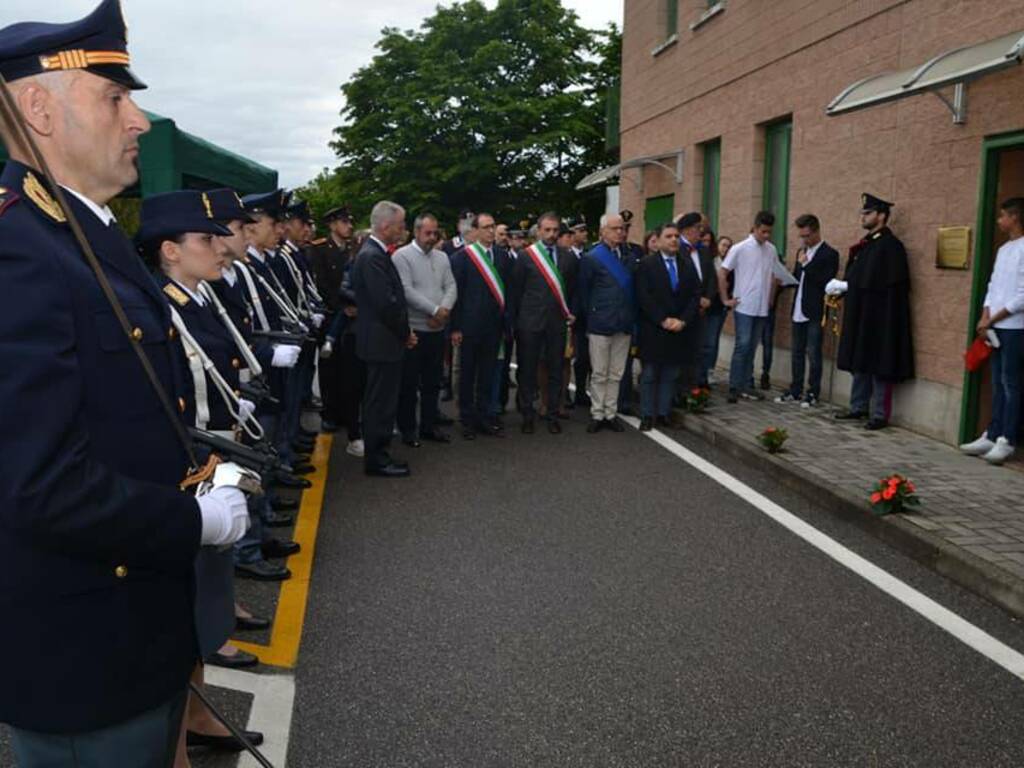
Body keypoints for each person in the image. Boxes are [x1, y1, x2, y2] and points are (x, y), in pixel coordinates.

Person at [0, 2, 249, 764]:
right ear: (37, 106)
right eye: (115, 97)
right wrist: (194, 525)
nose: (138, 120)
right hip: (86, 652)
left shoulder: (80, 234)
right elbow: (37, 482)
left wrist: (203, 474)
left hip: (133, 624)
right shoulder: (20, 250)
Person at [136, 191, 267, 761]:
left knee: (206, 595)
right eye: (205, 239)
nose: (220, 247)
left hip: (214, 455)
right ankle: (177, 745)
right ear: (169, 250)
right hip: (191, 466)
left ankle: (195, 714)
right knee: (186, 604)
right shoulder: (161, 306)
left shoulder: (198, 296)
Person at [830, 194, 915, 430]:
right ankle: (858, 406)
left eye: (868, 213)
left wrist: (852, 286)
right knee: (860, 360)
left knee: (880, 362)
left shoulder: (890, 246)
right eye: (863, 213)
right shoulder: (866, 245)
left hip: (881, 316)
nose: (863, 217)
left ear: (881, 216)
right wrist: (844, 287)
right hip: (862, 312)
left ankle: (879, 413)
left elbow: (889, 284)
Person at [353, 201, 417, 477]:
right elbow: (387, 304)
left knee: (381, 400)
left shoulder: (374, 253)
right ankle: (377, 459)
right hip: (382, 341)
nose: (403, 230)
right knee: (380, 403)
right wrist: (406, 333)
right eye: (401, 225)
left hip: (383, 340)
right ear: (385, 226)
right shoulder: (372, 256)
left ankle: (380, 453)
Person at [961, 197, 1024, 464]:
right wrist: (985, 314)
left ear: (1015, 217)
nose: (999, 221)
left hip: (1015, 328)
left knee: (1012, 384)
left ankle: (1007, 439)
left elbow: (1022, 295)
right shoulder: (1004, 249)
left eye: (1002, 216)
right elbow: (993, 285)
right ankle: (992, 432)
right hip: (995, 326)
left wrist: (994, 317)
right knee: (997, 383)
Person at [510, 211, 578, 434]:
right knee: (527, 370)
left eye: (555, 230)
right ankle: (527, 414)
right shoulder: (526, 256)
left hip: (557, 323)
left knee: (556, 369)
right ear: (538, 231)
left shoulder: (567, 257)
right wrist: (517, 323)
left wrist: (572, 312)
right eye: (546, 230)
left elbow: (572, 290)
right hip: (529, 324)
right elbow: (516, 291)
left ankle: (551, 414)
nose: (550, 234)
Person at [392, 213, 457, 446]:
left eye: (435, 233)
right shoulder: (402, 256)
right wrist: (434, 310)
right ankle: (408, 429)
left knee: (432, 383)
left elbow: (451, 286)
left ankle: (429, 426)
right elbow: (406, 291)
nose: (432, 237)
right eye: (427, 233)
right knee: (409, 385)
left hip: (437, 330)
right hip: (415, 332)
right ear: (416, 232)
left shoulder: (442, 257)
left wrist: (443, 311)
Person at [719, 211, 796, 403]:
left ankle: (746, 384)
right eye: (763, 232)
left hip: (762, 307)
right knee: (742, 345)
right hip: (744, 305)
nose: (766, 236)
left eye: (769, 232)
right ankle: (734, 386)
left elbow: (776, 273)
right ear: (754, 228)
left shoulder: (770, 249)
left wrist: (772, 297)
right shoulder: (740, 248)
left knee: (752, 347)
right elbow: (722, 272)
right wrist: (725, 299)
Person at [636, 222, 701, 431]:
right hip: (654, 329)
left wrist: (683, 320)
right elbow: (643, 297)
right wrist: (662, 319)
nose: (673, 240)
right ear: (659, 240)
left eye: (676, 236)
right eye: (669, 236)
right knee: (650, 374)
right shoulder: (647, 264)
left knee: (670, 374)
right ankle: (647, 414)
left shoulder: (687, 264)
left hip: (678, 329)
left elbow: (694, 296)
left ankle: (663, 413)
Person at [451, 212, 508, 439]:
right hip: (469, 327)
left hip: (493, 327)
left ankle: (484, 417)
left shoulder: (503, 257)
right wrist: (455, 328)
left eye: (493, 226)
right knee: (467, 375)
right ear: (475, 231)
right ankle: (467, 419)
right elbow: (456, 295)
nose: (491, 231)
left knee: (487, 374)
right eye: (486, 227)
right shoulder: (462, 258)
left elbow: (508, 291)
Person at [577, 213, 635, 433]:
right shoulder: (592, 257)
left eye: (621, 228)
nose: (619, 232)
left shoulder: (629, 255)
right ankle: (597, 413)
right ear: (602, 232)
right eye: (614, 228)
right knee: (600, 372)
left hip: (623, 323)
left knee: (616, 372)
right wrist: (592, 317)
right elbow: (584, 293)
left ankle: (611, 413)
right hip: (601, 323)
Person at [775, 214, 839, 407]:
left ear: (817, 231)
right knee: (796, 351)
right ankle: (795, 389)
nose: (804, 240)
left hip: (814, 310)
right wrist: (785, 279)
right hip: (798, 308)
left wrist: (806, 265)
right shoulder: (801, 251)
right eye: (802, 236)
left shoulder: (829, 254)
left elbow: (825, 282)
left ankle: (813, 392)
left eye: (807, 236)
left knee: (813, 352)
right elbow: (798, 277)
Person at [309, 205, 354, 432]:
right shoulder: (319, 249)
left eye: (349, 222)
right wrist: (342, 307)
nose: (349, 226)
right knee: (329, 368)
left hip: (351, 318)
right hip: (331, 316)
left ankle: (346, 411)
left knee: (348, 368)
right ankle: (329, 413)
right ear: (332, 225)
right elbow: (321, 284)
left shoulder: (353, 249)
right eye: (344, 222)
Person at [676, 212, 716, 393]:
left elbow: (711, 278)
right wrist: (695, 300)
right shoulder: (677, 250)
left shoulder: (703, 251)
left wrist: (707, 297)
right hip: (684, 310)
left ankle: (694, 390)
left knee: (698, 351)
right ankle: (679, 390)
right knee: (682, 352)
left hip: (701, 310)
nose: (700, 232)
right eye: (697, 228)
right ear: (686, 230)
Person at [699, 231, 732, 387]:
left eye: (728, 246)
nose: (725, 248)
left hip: (717, 306)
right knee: (703, 342)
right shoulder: (707, 260)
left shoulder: (726, 263)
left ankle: (708, 371)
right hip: (703, 306)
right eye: (723, 245)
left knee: (712, 341)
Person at [567, 215, 592, 408]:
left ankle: (582, 391)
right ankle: (564, 392)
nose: (585, 234)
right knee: (570, 356)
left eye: (585, 230)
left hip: (589, 314)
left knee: (586, 357)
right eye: (580, 230)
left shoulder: (589, 255)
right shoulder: (566, 255)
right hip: (572, 314)